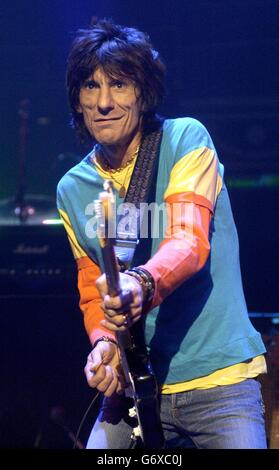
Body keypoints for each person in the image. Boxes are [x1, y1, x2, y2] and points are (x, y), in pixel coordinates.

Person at [56, 18, 267, 449]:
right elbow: (92, 291)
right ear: (77, 101)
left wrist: (141, 283)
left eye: (119, 85)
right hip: (135, 389)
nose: (104, 102)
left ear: (143, 92)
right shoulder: (71, 189)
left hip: (218, 383)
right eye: (90, 87)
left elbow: (189, 241)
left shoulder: (185, 139)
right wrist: (103, 345)